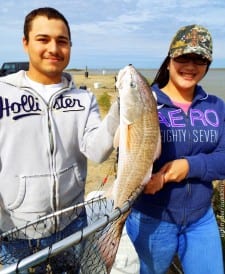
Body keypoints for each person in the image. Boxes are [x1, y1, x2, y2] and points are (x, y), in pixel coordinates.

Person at [0, 7, 119, 272]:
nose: (53, 48)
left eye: (62, 41)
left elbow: (97, 151)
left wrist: (122, 109)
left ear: (70, 47)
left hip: (72, 223)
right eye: (43, 39)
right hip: (15, 230)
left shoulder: (83, 99)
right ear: (25, 42)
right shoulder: (3, 94)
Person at [126, 24, 225, 274]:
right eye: (183, 57)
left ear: (207, 65)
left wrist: (188, 166)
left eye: (200, 59)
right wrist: (144, 181)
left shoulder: (215, 107)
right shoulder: (148, 102)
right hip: (152, 218)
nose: (191, 66)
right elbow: (128, 156)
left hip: (201, 219)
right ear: (169, 61)